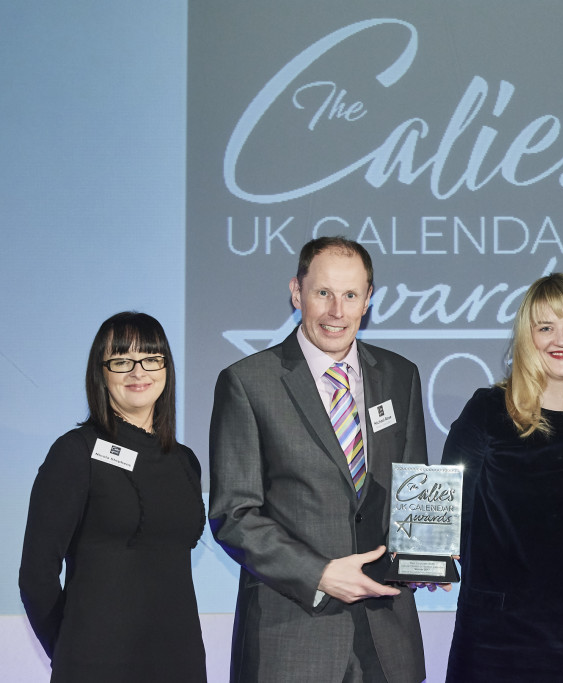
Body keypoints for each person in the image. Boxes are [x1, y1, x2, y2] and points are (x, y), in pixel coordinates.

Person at [209, 236, 427, 683]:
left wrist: (425, 555)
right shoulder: (248, 383)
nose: (336, 311)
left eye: (350, 295)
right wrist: (321, 574)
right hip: (290, 639)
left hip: (388, 641)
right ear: (296, 292)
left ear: (368, 300)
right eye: (323, 293)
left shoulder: (400, 375)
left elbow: (414, 489)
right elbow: (234, 514)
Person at [440, 273, 563, 683]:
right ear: (527, 339)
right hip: (492, 635)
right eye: (545, 327)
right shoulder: (487, 411)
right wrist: (430, 562)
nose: (561, 339)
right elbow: (448, 511)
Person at [19, 312, 207, 682]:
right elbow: (35, 576)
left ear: (166, 368)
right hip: (96, 665)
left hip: (179, 663)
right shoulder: (75, 453)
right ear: (101, 374)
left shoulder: (185, 461)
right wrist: (71, 649)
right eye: (122, 361)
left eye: (151, 359)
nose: (139, 372)